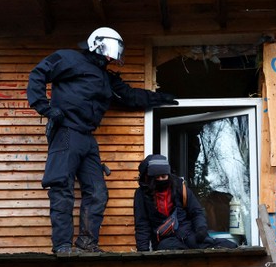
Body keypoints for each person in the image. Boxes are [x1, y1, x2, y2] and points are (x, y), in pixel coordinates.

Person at [27, 27, 179, 255]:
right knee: (62, 187)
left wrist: (161, 98)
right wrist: (44, 107)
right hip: (66, 131)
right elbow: (39, 73)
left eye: (115, 52)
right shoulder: (70, 59)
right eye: (110, 50)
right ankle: (63, 247)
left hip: (87, 138)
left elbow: (129, 96)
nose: (111, 57)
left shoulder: (105, 79)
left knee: (98, 192)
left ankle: (86, 245)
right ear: (97, 45)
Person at [133, 154, 239, 251]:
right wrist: (143, 253)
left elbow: (196, 211)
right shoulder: (142, 195)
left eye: (164, 176)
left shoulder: (179, 187)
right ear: (150, 178)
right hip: (164, 241)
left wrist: (201, 229)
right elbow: (142, 226)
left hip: (188, 234)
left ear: (168, 175)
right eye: (157, 177)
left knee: (225, 247)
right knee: (173, 251)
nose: (161, 179)